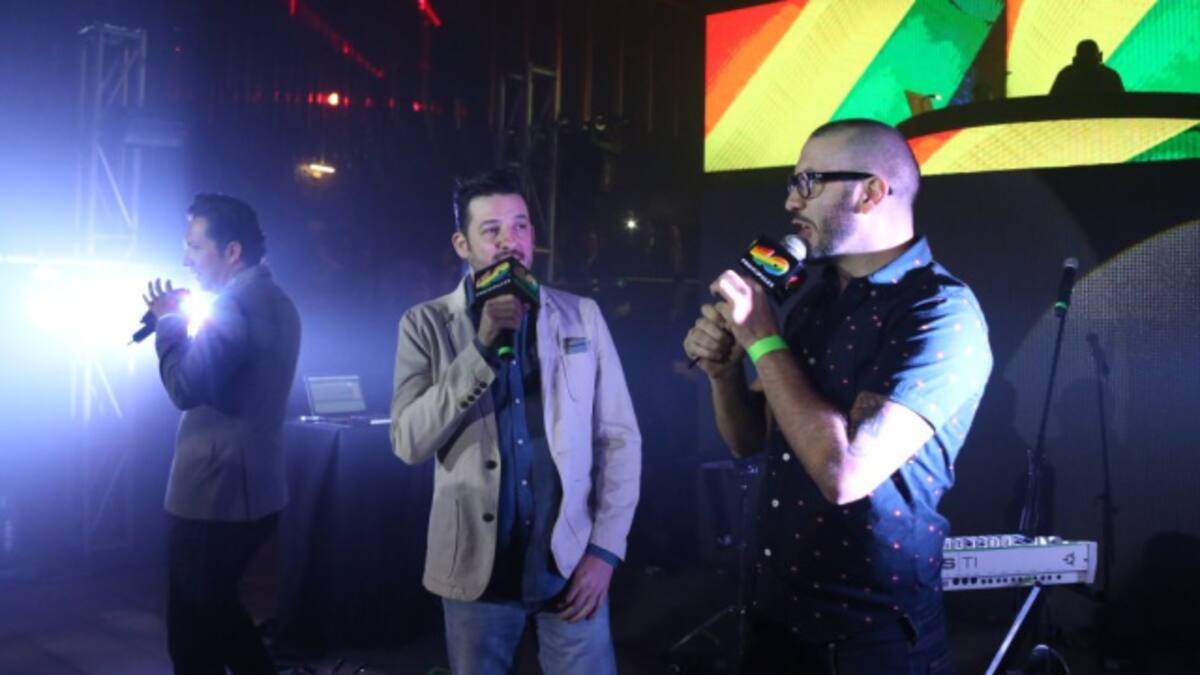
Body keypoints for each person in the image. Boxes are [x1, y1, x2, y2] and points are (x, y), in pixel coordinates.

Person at [682, 119, 992, 674]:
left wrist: (763, 338)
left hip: (867, 642)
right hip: (773, 619)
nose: (790, 201)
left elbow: (844, 473)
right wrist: (724, 373)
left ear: (871, 192)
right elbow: (749, 440)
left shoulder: (940, 312)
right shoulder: (817, 301)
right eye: (792, 183)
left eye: (809, 182)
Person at [390, 169, 641, 675]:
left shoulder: (581, 315)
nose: (512, 241)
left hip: (570, 561)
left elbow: (619, 439)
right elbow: (409, 442)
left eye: (521, 226)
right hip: (475, 571)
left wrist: (605, 551)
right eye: (492, 230)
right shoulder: (425, 323)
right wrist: (481, 348)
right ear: (462, 244)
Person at [143, 194, 301, 675]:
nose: (185, 259)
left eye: (195, 246)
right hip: (251, 487)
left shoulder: (235, 305)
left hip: (216, 491)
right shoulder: (276, 299)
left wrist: (170, 324)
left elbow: (185, 387)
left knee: (194, 632)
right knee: (215, 614)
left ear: (232, 252)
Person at [1050, 39, 1124, 96]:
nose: (1089, 70)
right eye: (1085, 63)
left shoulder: (1065, 76)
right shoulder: (1111, 76)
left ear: (1075, 60)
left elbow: (1050, 104)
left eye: (1091, 63)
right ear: (1100, 57)